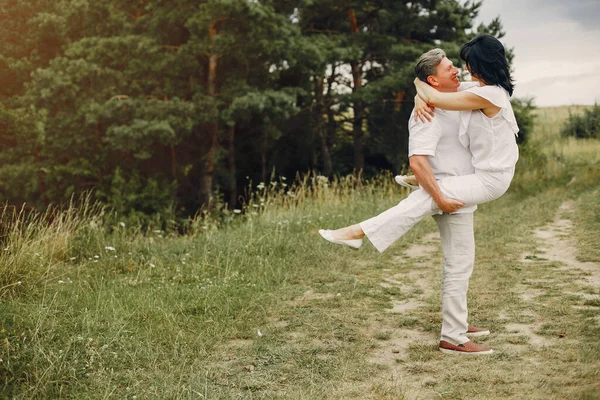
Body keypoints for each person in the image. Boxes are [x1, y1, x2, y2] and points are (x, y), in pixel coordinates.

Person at [319, 35, 519, 354]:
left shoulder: (482, 94)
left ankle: (361, 229)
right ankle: (454, 331)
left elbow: (435, 95)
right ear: (433, 78)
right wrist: (419, 96)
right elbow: (421, 149)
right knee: (459, 262)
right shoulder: (444, 104)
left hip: (483, 180)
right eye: (452, 66)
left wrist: (420, 90)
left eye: (464, 64)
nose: (460, 70)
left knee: (431, 205)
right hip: (466, 183)